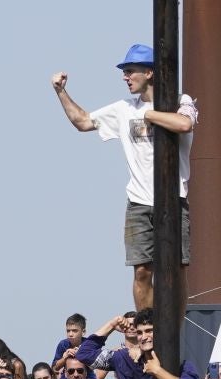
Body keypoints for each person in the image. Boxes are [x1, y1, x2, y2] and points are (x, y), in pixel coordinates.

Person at [52, 45, 198, 310]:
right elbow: (83, 122)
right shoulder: (123, 108)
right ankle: (147, 331)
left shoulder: (181, 100)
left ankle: (174, 335)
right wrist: (61, 92)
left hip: (173, 199)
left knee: (176, 271)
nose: (125, 77)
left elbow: (184, 124)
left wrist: (149, 114)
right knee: (142, 271)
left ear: (150, 73)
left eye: (130, 71)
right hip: (139, 202)